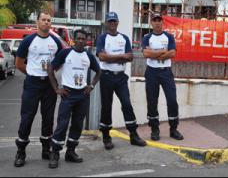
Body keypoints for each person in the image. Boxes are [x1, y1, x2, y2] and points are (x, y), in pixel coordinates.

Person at [14, 12, 63, 167]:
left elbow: (60, 61)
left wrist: (50, 73)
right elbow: (19, 63)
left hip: (49, 84)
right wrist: (32, 74)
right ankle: (21, 151)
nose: (46, 22)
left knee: (48, 118)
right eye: (43, 20)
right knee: (27, 117)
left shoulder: (56, 41)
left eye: (49, 20)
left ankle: (45, 149)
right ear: (38, 22)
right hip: (32, 84)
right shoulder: (28, 40)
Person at [47, 29, 101, 169]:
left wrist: (91, 86)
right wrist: (56, 88)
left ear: (86, 41)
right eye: (79, 38)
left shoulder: (88, 56)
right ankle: (55, 153)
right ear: (74, 39)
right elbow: (50, 68)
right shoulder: (65, 53)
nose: (81, 41)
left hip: (83, 95)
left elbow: (99, 71)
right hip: (68, 94)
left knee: (77, 125)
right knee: (62, 124)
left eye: (84, 39)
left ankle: (70, 152)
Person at [96, 12, 146, 150]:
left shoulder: (124, 38)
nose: (112, 23)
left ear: (117, 22)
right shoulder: (102, 38)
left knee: (127, 104)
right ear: (106, 23)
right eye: (110, 21)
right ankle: (106, 136)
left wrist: (111, 56)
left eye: (114, 21)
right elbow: (102, 57)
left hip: (120, 77)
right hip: (106, 76)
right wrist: (121, 56)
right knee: (106, 106)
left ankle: (133, 134)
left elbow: (130, 57)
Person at [142, 12, 184, 141]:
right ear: (151, 23)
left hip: (166, 72)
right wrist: (162, 52)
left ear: (162, 22)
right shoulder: (147, 37)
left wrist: (154, 53)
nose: (157, 22)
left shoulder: (169, 37)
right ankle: (155, 129)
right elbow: (146, 53)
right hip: (152, 73)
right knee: (152, 101)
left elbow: (172, 53)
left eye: (159, 20)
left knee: (172, 100)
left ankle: (173, 129)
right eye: (155, 20)